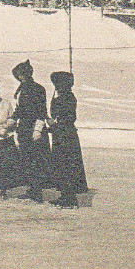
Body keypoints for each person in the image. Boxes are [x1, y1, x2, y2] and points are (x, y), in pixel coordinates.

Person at [11, 60, 51, 203]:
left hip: (31, 129)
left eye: (18, 75)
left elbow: (40, 111)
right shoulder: (27, 88)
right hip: (27, 129)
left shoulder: (33, 89)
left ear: (22, 75)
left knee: (33, 160)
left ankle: (36, 191)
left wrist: (38, 129)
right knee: (30, 160)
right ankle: (33, 189)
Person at [47, 72, 87, 209]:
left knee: (65, 165)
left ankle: (69, 197)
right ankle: (66, 195)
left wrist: (54, 125)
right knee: (63, 165)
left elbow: (68, 118)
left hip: (65, 135)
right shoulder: (66, 96)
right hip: (64, 135)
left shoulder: (66, 97)